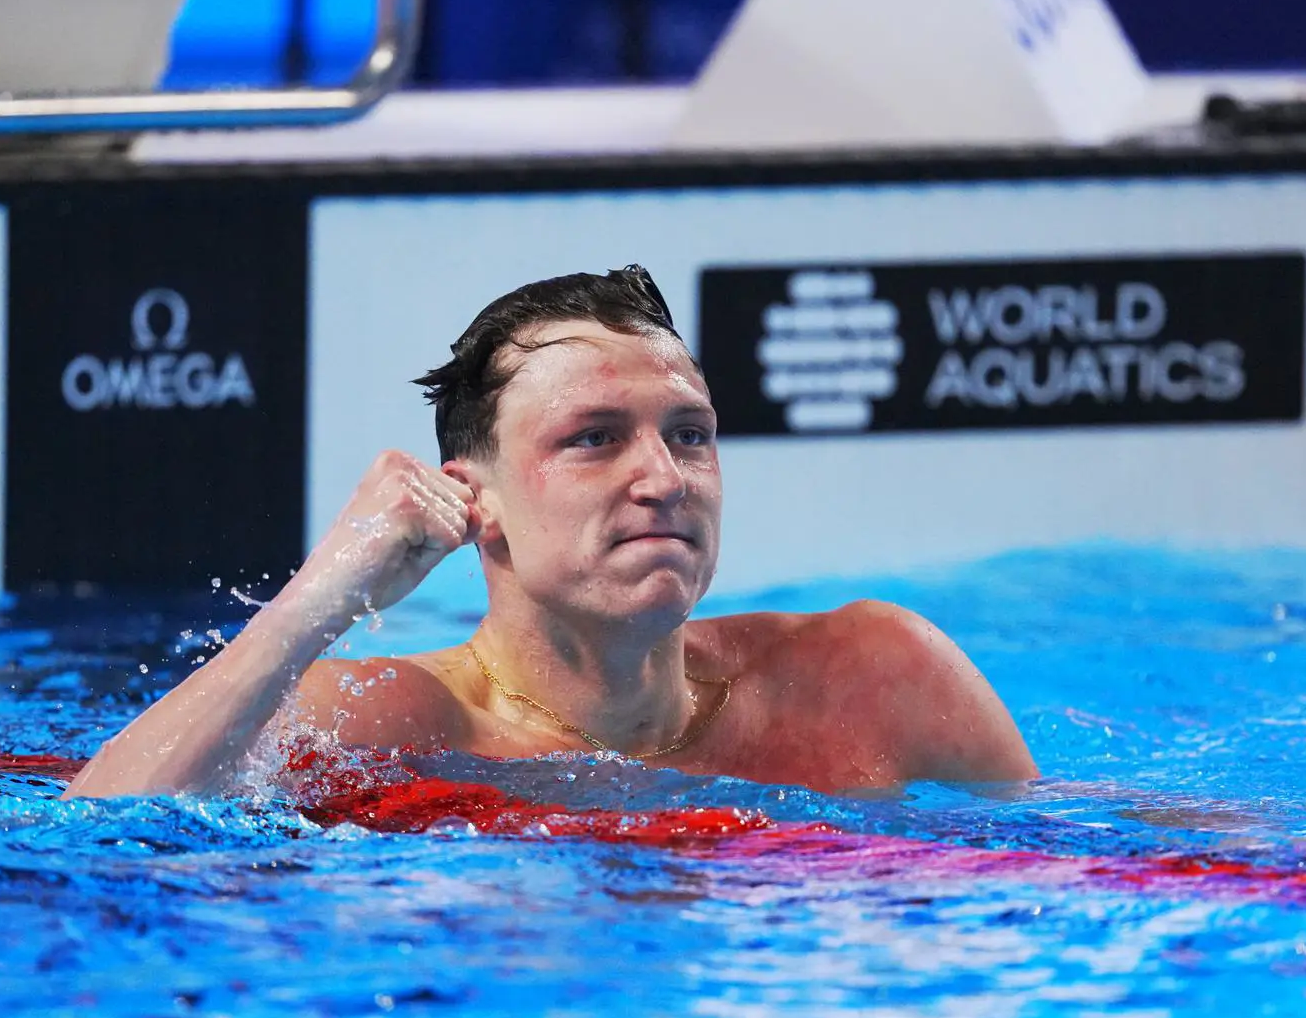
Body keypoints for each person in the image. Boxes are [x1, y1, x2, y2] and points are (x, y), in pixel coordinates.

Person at [66, 266, 1036, 800]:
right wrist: (317, 602)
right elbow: (100, 841)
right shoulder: (393, 727)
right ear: (471, 500)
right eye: (595, 439)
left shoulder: (873, 675)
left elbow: (1099, 854)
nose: (663, 478)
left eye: (689, 436)